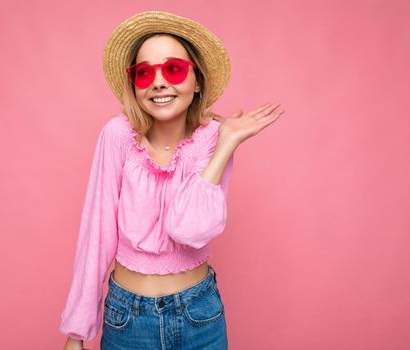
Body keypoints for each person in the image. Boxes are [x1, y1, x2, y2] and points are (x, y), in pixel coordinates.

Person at [60, 11, 285, 350]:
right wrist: (77, 333)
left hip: (199, 316)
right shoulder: (117, 135)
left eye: (174, 69)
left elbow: (189, 230)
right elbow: (97, 233)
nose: (159, 82)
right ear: (133, 85)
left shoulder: (213, 139)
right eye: (144, 73)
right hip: (127, 319)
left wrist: (225, 145)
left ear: (197, 83)